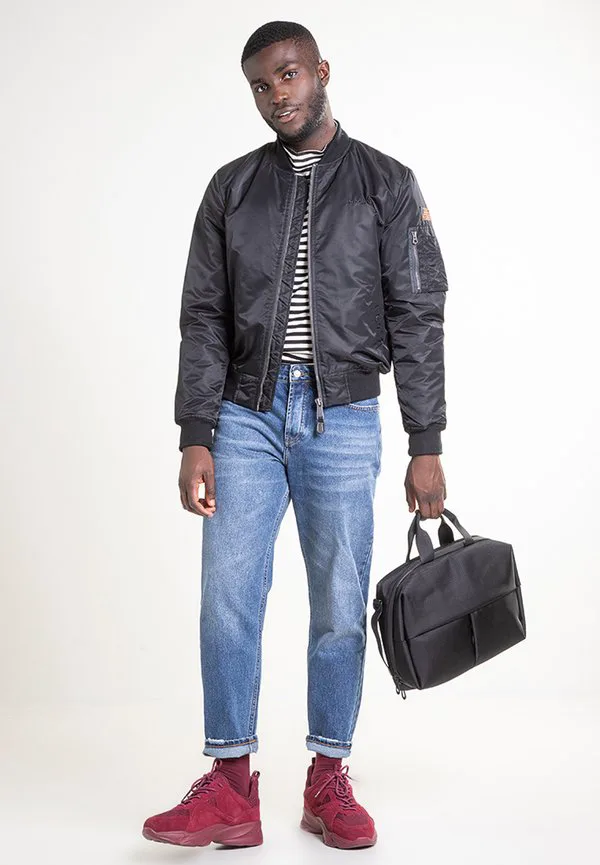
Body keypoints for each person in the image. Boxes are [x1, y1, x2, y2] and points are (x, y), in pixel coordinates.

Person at [143, 19, 448, 851]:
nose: (276, 94)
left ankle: (327, 777)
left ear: (321, 71)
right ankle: (229, 785)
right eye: (260, 84)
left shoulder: (386, 182)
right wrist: (196, 431)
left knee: (340, 606)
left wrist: (426, 439)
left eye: (288, 74)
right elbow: (202, 315)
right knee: (227, 597)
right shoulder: (231, 188)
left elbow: (418, 312)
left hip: (341, 414)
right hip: (243, 416)